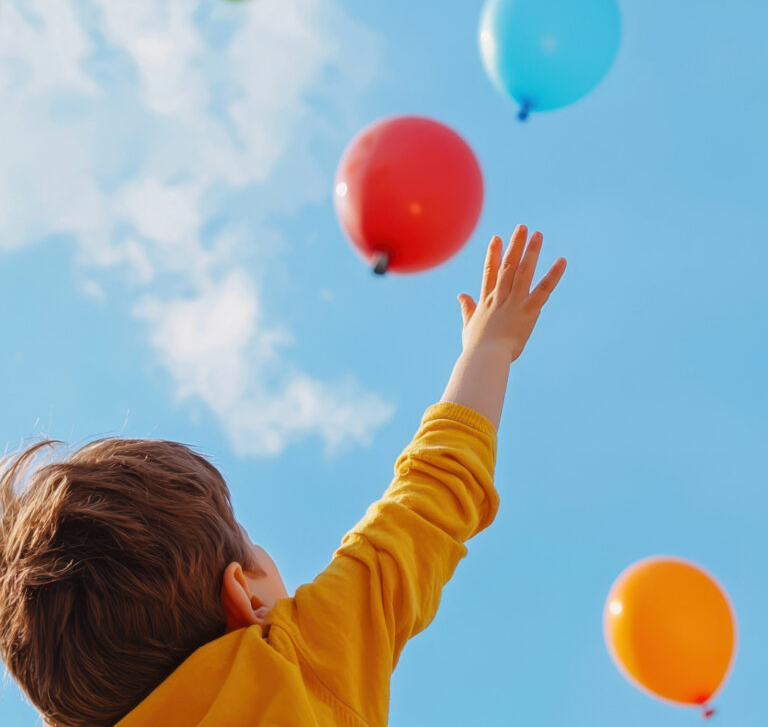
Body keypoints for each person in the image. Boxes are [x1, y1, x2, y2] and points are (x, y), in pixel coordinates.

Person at [0, 224, 566, 727]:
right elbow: (425, 500)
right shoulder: (297, 662)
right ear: (243, 595)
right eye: (247, 540)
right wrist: (489, 349)